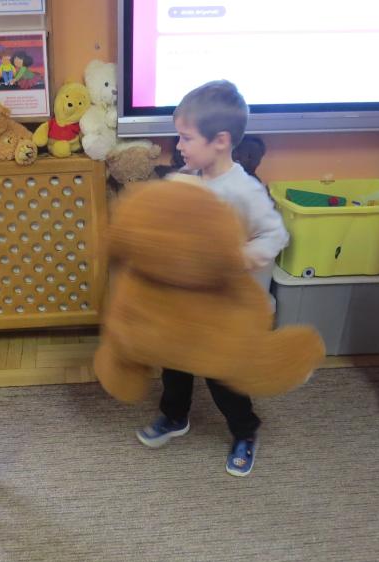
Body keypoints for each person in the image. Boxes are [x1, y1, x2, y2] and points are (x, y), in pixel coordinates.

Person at [136, 80, 289, 477]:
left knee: (223, 375)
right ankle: (175, 416)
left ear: (220, 140)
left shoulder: (243, 190)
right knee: (175, 363)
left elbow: (276, 235)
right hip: (186, 301)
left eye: (186, 138)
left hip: (223, 308)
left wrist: (239, 257)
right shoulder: (189, 178)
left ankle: (245, 430)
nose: (179, 146)